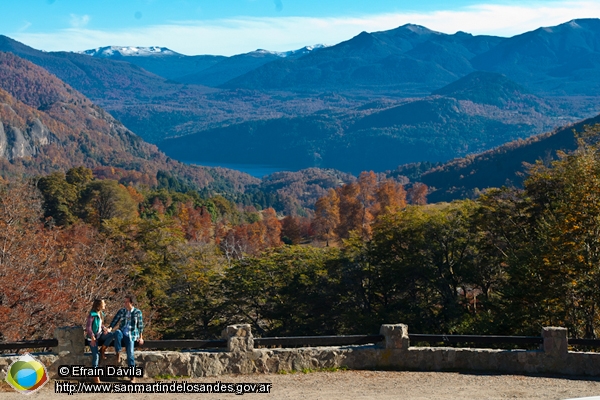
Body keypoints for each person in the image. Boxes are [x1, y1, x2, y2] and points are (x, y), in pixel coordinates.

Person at [110, 294, 144, 382]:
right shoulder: (122, 311)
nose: (125, 303)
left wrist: (141, 337)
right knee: (117, 332)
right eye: (124, 301)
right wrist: (109, 328)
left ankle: (132, 376)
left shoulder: (137, 312)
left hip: (131, 335)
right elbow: (114, 321)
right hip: (122, 332)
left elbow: (140, 326)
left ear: (131, 302)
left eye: (127, 301)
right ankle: (118, 352)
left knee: (130, 354)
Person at [85, 299, 114, 383]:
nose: (105, 304)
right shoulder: (92, 315)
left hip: (99, 335)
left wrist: (104, 328)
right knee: (96, 355)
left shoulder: (101, 314)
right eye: (103, 303)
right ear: (99, 305)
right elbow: (88, 327)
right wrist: (92, 337)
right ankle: (96, 376)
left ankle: (103, 349)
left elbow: (100, 324)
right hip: (92, 338)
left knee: (111, 335)